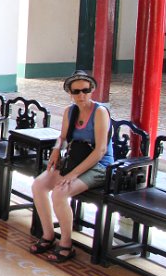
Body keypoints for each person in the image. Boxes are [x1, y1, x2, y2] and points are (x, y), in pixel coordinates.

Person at [29, 70, 113, 263]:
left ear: (92, 90)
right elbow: (63, 137)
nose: (81, 95)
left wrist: (74, 174)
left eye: (85, 90)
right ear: (70, 93)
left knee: (59, 192)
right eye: (76, 92)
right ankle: (48, 235)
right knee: (39, 185)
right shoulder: (71, 111)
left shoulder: (99, 112)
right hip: (74, 160)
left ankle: (66, 243)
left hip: (98, 166)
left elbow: (100, 151)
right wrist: (57, 150)